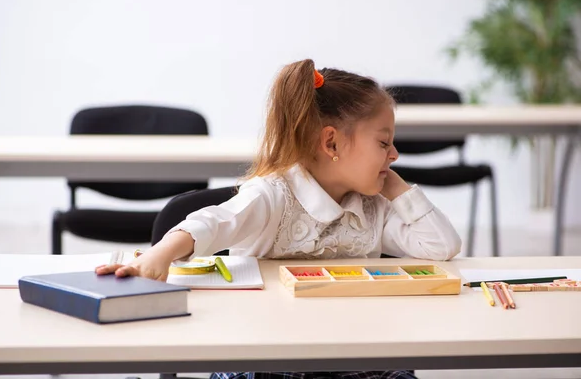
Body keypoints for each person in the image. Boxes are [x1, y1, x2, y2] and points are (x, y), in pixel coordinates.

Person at [96, 59, 462, 379]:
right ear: (331, 143)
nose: (395, 154)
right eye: (384, 143)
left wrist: (398, 191)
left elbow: (441, 247)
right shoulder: (274, 194)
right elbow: (215, 222)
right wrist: (160, 254)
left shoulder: (374, 207)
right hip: (267, 356)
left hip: (352, 354)